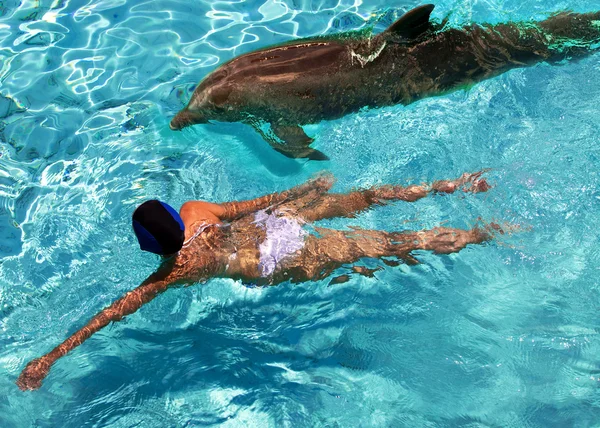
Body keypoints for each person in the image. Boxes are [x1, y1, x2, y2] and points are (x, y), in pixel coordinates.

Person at [17, 170, 496, 390]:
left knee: (388, 245)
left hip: (278, 257)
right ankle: (444, 186)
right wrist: (303, 190)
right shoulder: (195, 212)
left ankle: (480, 234)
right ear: (174, 216)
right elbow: (251, 206)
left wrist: (51, 357)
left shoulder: (175, 271)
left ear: (150, 248)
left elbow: (112, 312)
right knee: (366, 199)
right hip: (278, 221)